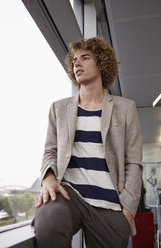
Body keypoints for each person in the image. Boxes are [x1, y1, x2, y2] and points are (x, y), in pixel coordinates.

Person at [33, 35, 143, 248]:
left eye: (85, 58)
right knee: (48, 222)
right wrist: (48, 179)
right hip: (69, 194)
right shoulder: (59, 108)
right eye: (74, 60)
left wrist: (127, 212)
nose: (77, 63)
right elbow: (50, 152)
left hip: (111, 206)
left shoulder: (125, 108)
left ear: (101, 64)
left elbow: (134, 163)